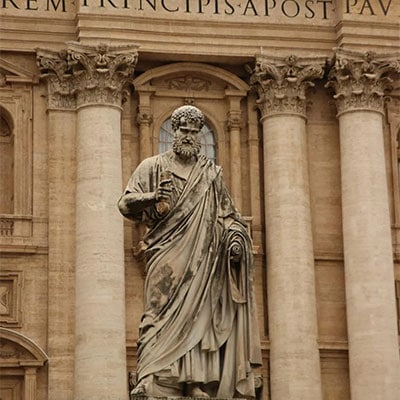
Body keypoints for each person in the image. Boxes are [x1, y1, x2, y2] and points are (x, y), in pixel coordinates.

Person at [118, 105, 262, 398]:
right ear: (174, 132)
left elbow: (228, 215)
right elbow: (125, 204)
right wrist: (152, 197)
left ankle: (196, 380)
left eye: (195, 131)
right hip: (166, 252)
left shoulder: (210, 174)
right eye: (184, 130)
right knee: (157, 311)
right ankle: (153, 375)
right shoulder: (153, 166)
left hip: (204, 257)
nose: (189, 136)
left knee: (200, 315)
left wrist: (235, 240)